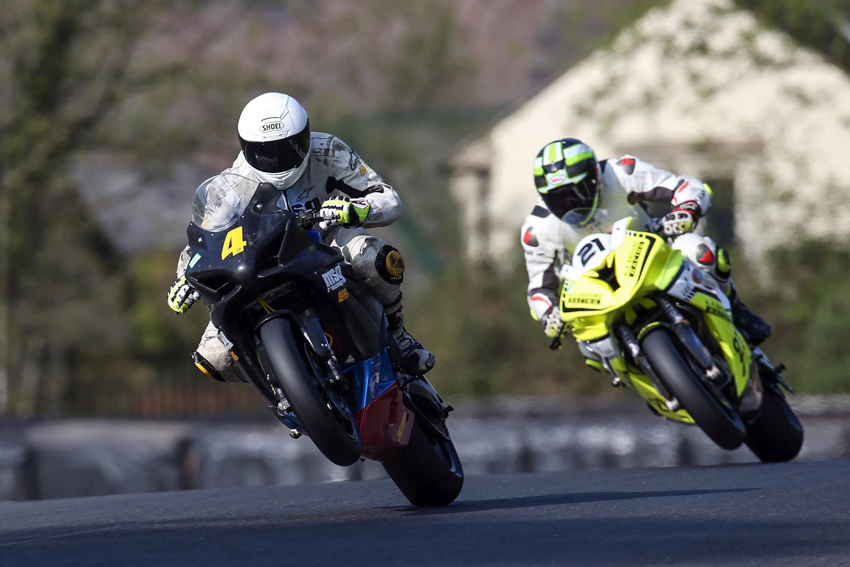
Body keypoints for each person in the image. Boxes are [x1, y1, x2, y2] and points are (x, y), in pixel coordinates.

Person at [167, 92, 434, 379]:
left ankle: (400, 337)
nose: (277, 159)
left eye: (290, 147)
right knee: (211, 359)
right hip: (260, 259)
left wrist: (354, 210)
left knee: (379, 261)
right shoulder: (231, 185)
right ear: (246, 148)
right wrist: (186, 278)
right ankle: (282, 395)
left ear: (306, 135)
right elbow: (202, 243)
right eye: (264, 152)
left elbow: (389, 199)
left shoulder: (328, 150)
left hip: (324, 238)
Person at [521, 137, 771, 347]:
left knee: (700, 251)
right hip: (595, 291)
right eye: (559, 199)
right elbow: (538, 289)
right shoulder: (537, 229)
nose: (571, 204)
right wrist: (548, 313)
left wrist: (686, 210)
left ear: (595, 177)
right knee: (585, 338)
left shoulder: (622, 172)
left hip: (653, 254)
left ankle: (737, 311)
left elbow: (686, 186)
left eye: (578, 192)